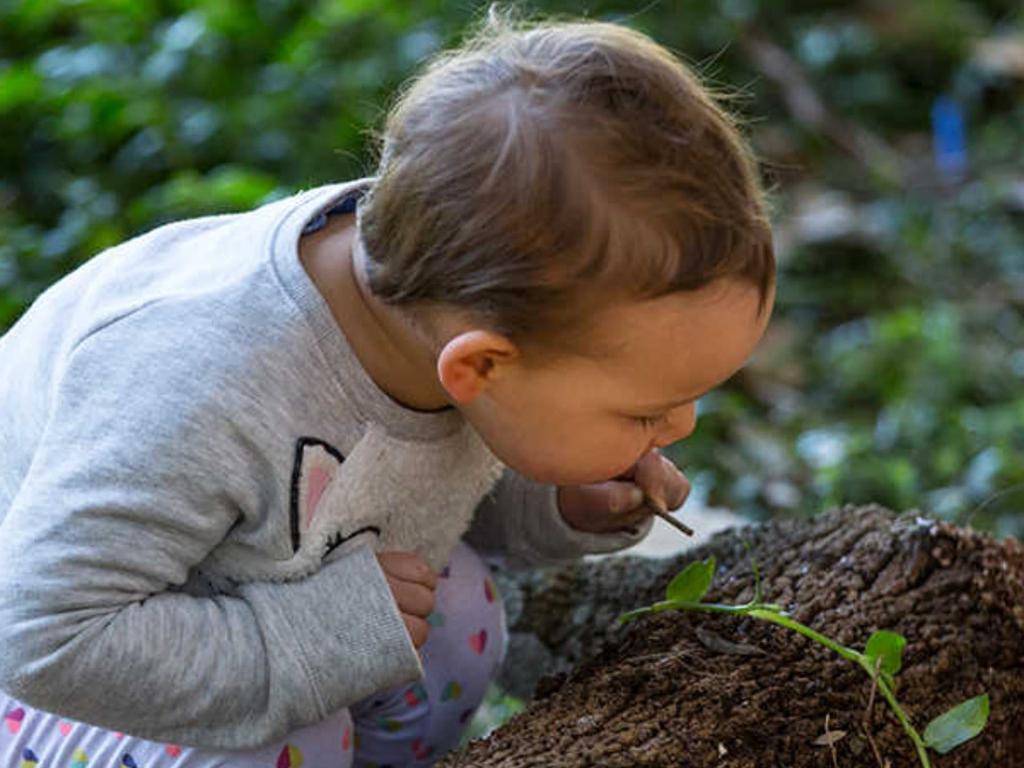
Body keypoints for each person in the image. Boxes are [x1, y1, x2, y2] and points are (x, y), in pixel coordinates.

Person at [0, 10, 775, 768]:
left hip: (237, 579)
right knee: (292, 743)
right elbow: (38, 634)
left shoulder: (455, 288)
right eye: (645, 409)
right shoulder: (198, 389)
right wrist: (306, 643)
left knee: (454, 613)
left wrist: (559, 501)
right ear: (480, 367)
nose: (681, 424)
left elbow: (399, 473)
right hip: (55, 662)